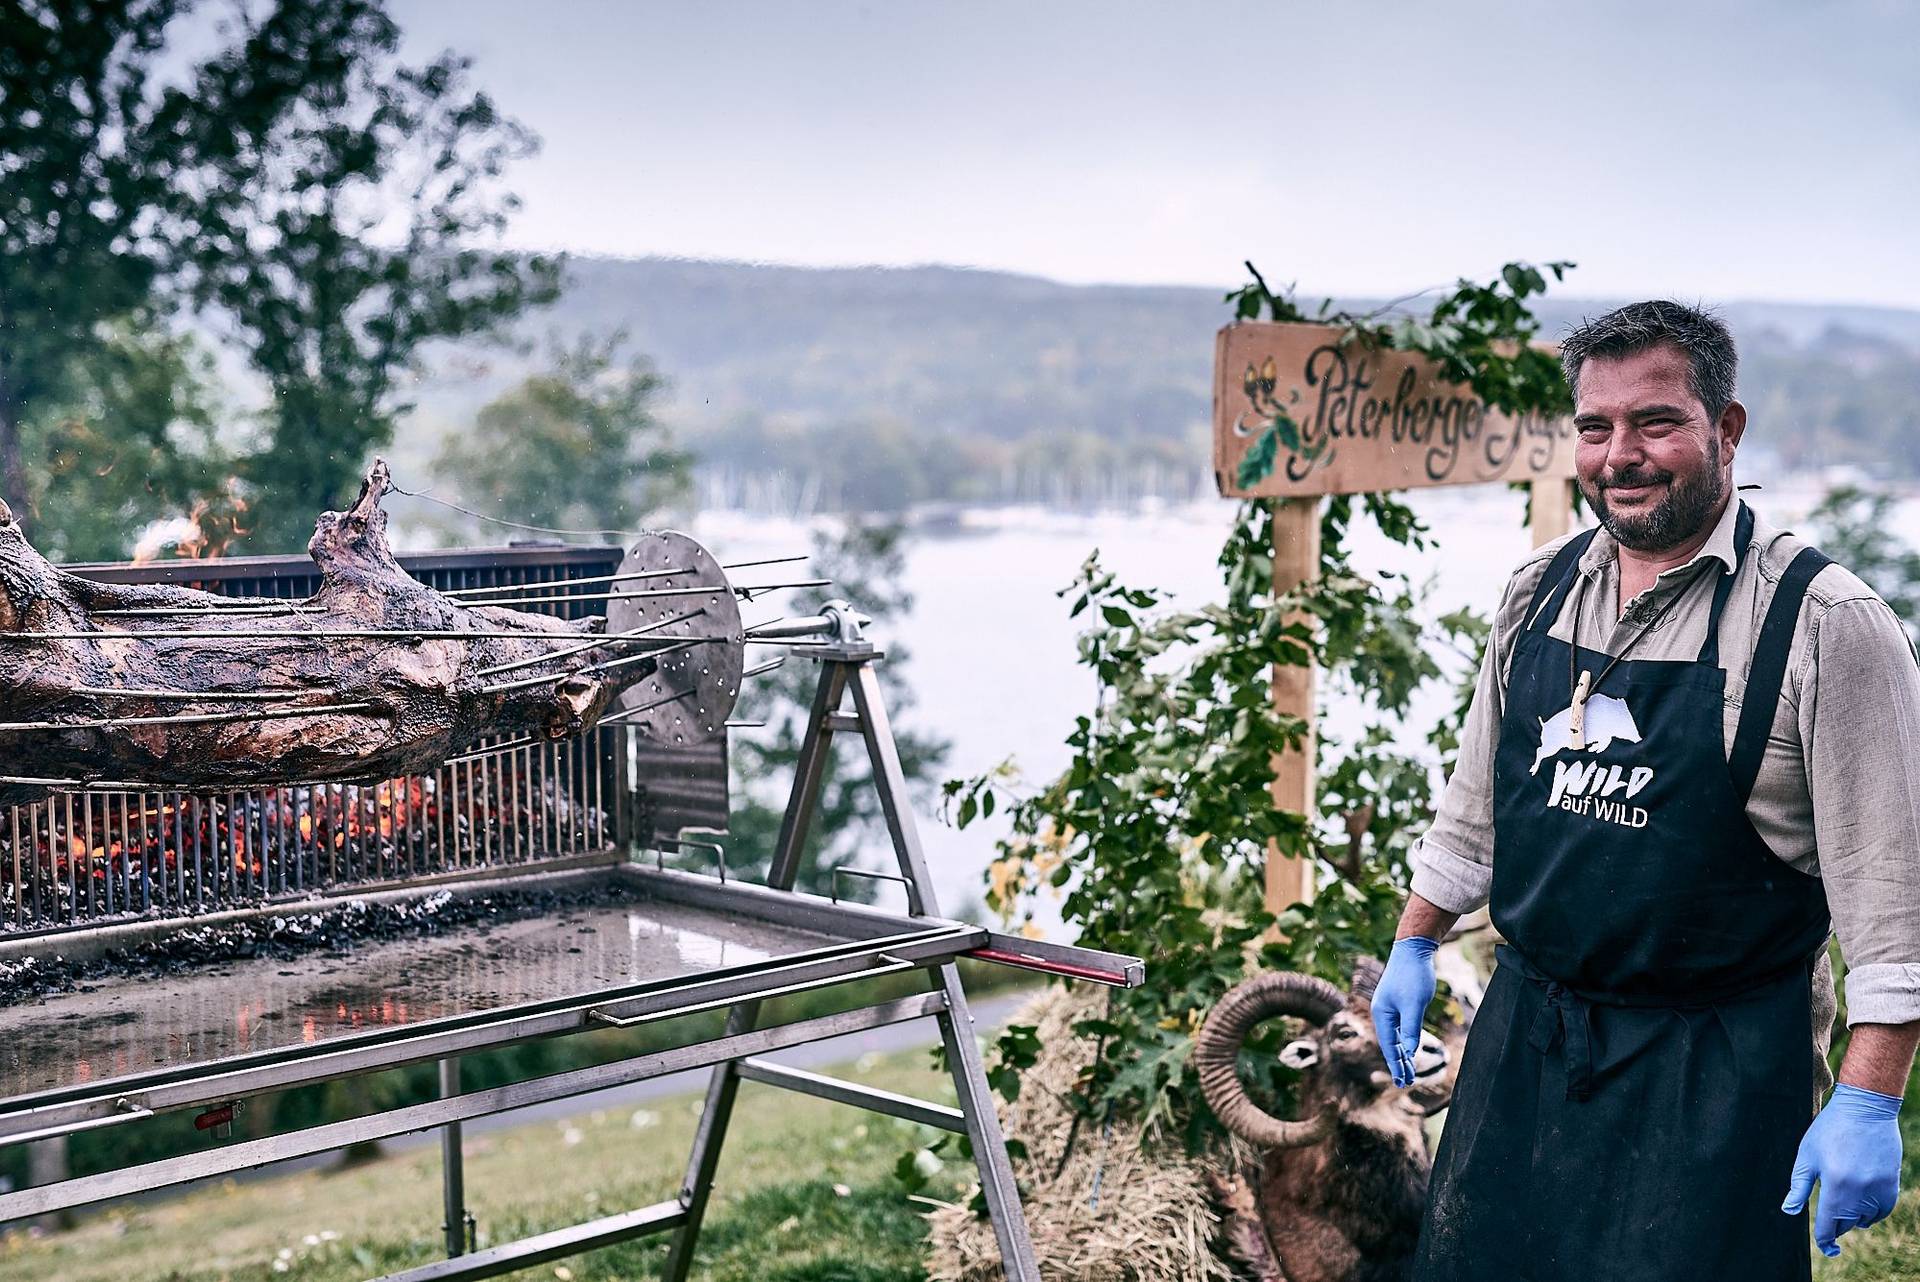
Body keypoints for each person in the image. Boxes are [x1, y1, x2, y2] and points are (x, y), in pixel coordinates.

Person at [1371, 300, 1918, 1279]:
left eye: (1655, 422)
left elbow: (1897, 911)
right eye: (1595, 427)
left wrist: (1869, 1097)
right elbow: (1471, 813)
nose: (1620, 453)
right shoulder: (1537, 594)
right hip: (1527, 1040)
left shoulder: (1824, 623)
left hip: (1714, 1073)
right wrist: (1415, 938)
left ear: (1727, 428)